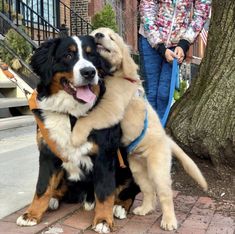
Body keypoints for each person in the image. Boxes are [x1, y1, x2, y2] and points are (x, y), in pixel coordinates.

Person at [138, 0, 211, 123]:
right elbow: (147, 9)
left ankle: (159, 132)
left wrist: (184, 43)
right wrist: (160, 47)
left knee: (164, 94)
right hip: (151, 40)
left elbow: (201, 12)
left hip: (177, 46)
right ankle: (147, 133)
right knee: (150, 91)